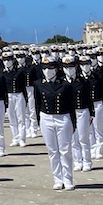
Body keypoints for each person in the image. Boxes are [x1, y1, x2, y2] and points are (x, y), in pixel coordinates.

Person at [34, 55, 76, 190]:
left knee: (65, 150)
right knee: (52, 151)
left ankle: (68, 179)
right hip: (46, 117)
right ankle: (57, 179)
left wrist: (73, 123)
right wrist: (39, 121)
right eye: (45, 68)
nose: (47, 71)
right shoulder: (38, 84)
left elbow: (71, 105)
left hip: (63, 117)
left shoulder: (65, 84)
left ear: (56, 69)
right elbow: (37, 104)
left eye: (50, 68)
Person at [62, 54, 93, 172]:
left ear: (75, 67)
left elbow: (89, 98)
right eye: (66, 67)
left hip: (82, 110)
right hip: (69, 113)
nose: (68, 69)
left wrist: (92, 113)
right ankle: (77, 161)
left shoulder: (83, 81)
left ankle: (87, 161)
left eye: (71, 66)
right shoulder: (62, 82)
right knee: (73, 139)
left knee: (83, 137)